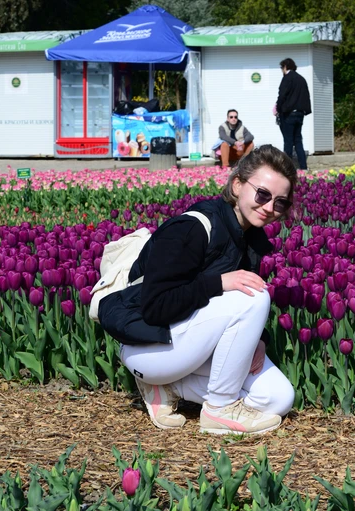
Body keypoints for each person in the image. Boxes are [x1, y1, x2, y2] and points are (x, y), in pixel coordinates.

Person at [98, 145, 296, 435]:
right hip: (148, 345)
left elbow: (226, 312)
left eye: (280, 202)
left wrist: (260, 339)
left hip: (190, 344)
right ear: (237, 185)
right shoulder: (192, 228)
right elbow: (155, 307)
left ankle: (168, 387)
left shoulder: (249, 238)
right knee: (254, 296)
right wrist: (219, 282)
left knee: (278, 398)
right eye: (263, 195)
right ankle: (219, 408)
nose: (269, 208)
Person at [276, 58, 311, 171]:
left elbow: (282, 95)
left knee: (288, 141)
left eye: (282, 68)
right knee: (298, 140)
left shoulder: (287, 78)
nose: (282, 70)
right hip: (300, 114)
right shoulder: (301, 79)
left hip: (288, 114)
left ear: (285, 67)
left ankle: (287, 169)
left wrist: (278, 108)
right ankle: (303, 167)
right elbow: (306, 96)